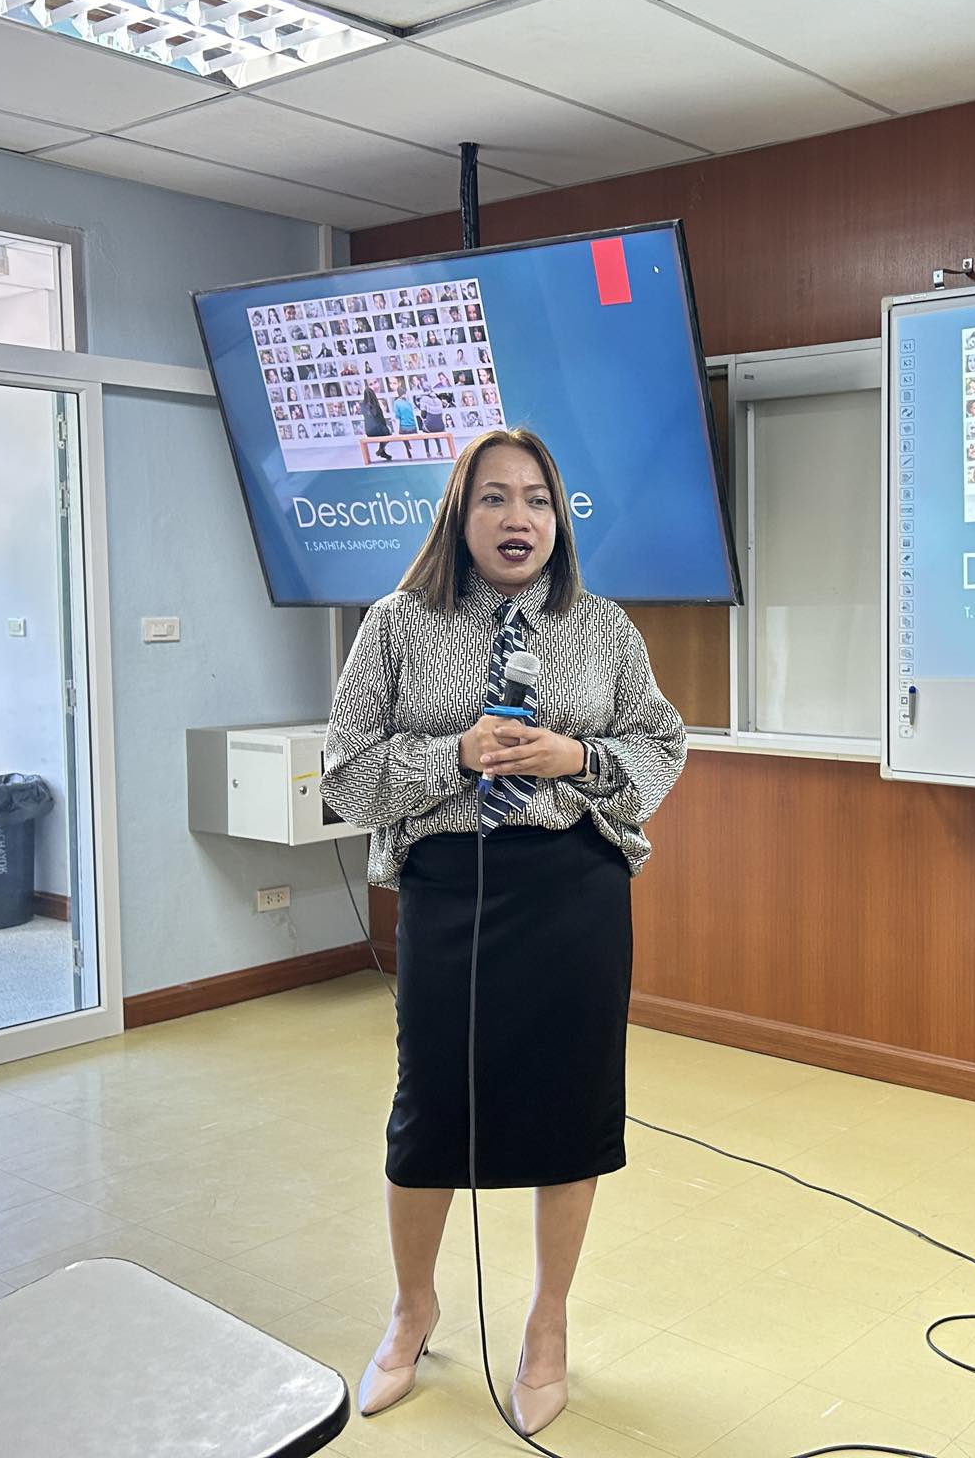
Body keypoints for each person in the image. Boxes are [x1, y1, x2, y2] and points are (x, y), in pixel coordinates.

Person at [322, 430, 685, 1433]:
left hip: (575, 889)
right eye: (494, 497)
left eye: (536, 498)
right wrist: (455, 754)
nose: (517, 517)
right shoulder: (396, 625)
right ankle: (413, 1310)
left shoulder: (602, 628)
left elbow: (662, 741)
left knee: (571, 1108)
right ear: (460, 514)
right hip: (450, 888)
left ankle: (547, 1324)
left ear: (558, 518)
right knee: (430, 1110)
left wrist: (577, 757)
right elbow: (345, 775)